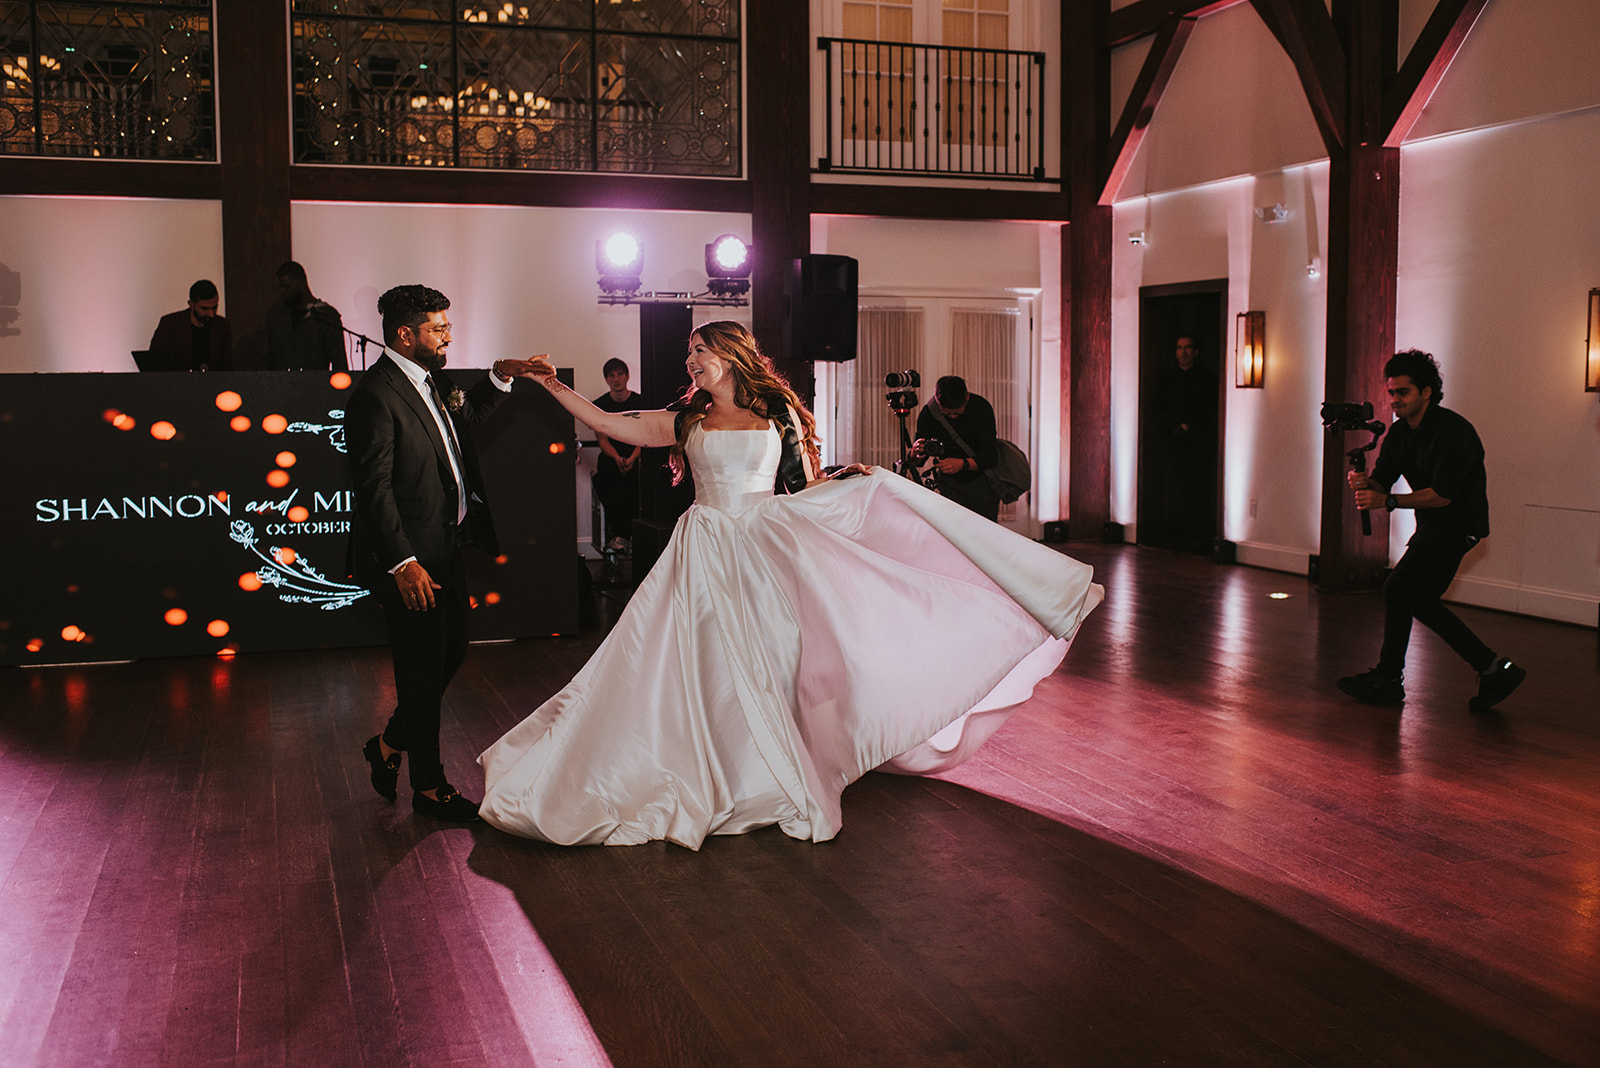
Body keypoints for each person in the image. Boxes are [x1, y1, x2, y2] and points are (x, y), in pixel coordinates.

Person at [477, 322, 1103, 849]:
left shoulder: (776, 412)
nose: (690, 362)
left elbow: (801, 488)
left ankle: (768, 771)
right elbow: (612, 422)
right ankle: (703, 767)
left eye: (700, 351)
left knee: (774, 661)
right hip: (703, 550)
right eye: (690, 354)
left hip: (763, 546)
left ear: (730, 357)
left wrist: (856, 479)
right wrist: (549, 383)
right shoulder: (686, 420)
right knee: (690, 665)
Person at [347, 284, 526, 821]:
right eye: (438, 328)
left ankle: (386, 747)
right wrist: (403, 563)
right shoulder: (374, 397)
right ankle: (428, 786)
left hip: (448, 547)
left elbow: (465, 418)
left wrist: (502, 374)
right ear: (405, 334)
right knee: (421, 669)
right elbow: (373, 490)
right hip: (413, 562)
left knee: (451, 654)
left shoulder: (435, 380)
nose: (449, 335)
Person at [1338, 349, 1526, 712]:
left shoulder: (1453, 431)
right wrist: (1366, 484)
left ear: (1426, 392)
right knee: (1416, 599)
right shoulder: (1399, 433)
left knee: (1398, 588)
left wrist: (1387, 502)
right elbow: (1382, 480)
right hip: (1434, 526)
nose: (1395, 401)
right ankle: (1493, 669)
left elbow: (1441, 496)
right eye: (1392, 393)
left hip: (1460, 525)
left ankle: (1390, 679)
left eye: (1403, 393)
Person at [912, 375, 1001, 521]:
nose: (952, 417)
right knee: (952, 535)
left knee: (984, 535)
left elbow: (990, 457)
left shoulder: (980, 408)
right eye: (946, 413)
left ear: (966, 398)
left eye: (957, 412)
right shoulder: (929, 413)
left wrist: (961, 464)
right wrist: (916, 453)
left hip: (981, 483)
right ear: (937, 401)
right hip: (948, 485)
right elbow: (918, 461)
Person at [1158, 335, 1217, 553]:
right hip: (1173, 442)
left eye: (1187, 347)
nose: (1183, 352)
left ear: (1195, 351)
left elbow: (1209, 408)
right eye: (1179, 347)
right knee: (1175, 487)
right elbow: (1160, 408)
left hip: (1199, 443)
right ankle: (1174, 535)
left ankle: (1198, 537)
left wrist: (1189, 425)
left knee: (1197, 489)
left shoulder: (1207, 378)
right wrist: (1174, 427)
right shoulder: (1167, 379)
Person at [590, 357, 643, 552]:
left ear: (627, 376)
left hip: (636, 454)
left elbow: (646, 438)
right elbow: (602, 441)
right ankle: (620, 535)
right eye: (611, 375)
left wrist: (632, 457)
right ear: (606, 380)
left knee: (636, 480)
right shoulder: (599, 406)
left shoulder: (641, 401)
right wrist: (618, 458)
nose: (616, 379)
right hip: (612, 456)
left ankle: (627, 534)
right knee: (606, 477)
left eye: (620, 374)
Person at [265, 260, 348, 371]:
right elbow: (269, 358)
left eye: (287, 287)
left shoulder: (326, 316)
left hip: (316, 385)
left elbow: (339, 364)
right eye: (280, 287)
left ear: (301, 282)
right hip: (282, 384)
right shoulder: (277, 315)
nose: (283, 292)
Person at [148, 279, 232, 371]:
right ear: (191, 304)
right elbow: (156, 362)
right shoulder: (170, 325)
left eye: (214, 307)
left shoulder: (222, 326)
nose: (211, 314)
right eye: (205, 309)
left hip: (213, 384)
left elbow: (227, 366)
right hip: (177, 383)